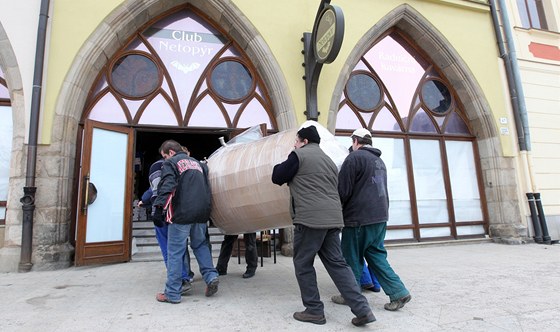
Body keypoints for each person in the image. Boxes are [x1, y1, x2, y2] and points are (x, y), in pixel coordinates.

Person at [271, 125, 375, 327]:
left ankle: (314, 310)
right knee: (338, 264)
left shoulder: (298, 156)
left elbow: (277, 177)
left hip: (310, 220)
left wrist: (286, 158)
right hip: (333, 219)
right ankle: (363, 309)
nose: (295, 144)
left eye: (297, 140)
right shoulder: (328, 160)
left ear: (305, 142)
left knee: (303, 263)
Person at [333, 128, 411, 311]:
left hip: (358, 218)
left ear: (355, 141)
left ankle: (349, 295)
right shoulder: (379, 161)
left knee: (351, 257)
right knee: (376, 256)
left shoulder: (354, 158)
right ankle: (399, 292)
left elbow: (343, 191)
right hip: (380, 217)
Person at [152, 140, 219, 304]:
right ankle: (211, 277)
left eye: (165, 156)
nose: (164, 159)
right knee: (201, 245)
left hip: (182, 214)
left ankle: (173, 293)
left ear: (171, 153)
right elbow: (207, 188)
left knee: (175, 251)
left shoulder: (172, 163)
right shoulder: (199, 164)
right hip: (201, 213)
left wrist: (159, 207)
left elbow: (167, 184)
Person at [142, 158, 193, 295]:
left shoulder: (157, 166)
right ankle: (185, 277)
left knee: (168, 249)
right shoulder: (188, 166)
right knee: (179, 248)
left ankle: (179, 282)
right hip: (182, 213)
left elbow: (155, 190)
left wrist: (145, 201)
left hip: (164, 213)